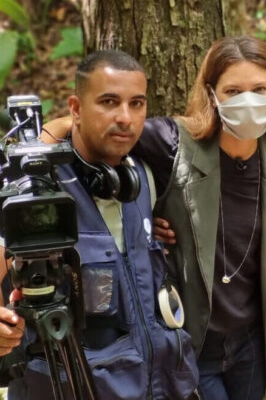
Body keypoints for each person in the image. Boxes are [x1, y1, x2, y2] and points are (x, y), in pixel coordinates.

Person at [0, 50, 199, 399]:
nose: (125, 117)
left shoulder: (141, 177)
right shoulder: (33, 190)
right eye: (109, 101)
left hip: (161, 386)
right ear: (75, 108)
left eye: (137, 104)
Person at [130, 35, 266, 400]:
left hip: (252, 339)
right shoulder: (172, 142)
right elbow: (107, 134)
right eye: (233, 90)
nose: (248, 100)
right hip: (191, 336)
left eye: (259, 88)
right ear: (212, 93)